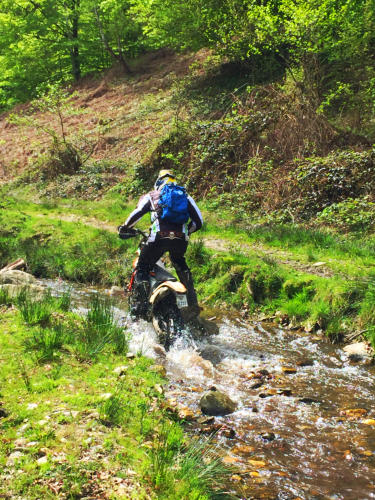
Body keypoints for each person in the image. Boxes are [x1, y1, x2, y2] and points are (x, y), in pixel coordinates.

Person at [119, 169, 203, 320]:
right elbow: (199, 222)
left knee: (143, 267)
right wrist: (186, 232)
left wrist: (125, 227)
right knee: (179, 262)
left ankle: (141, 307)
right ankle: (191, 302)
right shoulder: (185, 196)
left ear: (158, 181)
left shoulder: (152, 195)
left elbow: (137, 213)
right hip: (180, 240)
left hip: (158, 238)